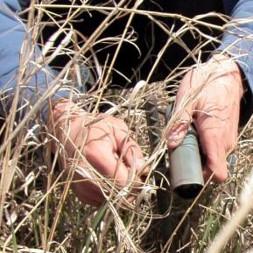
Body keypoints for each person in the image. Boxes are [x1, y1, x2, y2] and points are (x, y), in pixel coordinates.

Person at [0, 0, 252, 206]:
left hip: (193, 30)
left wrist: (233, 68)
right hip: (62, 37)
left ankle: (203, 144)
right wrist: (57, 115)